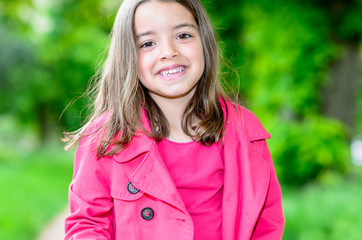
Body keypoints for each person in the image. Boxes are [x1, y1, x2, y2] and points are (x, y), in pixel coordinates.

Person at [63, 0, 285, 239]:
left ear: (205, 42)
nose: (169, 51)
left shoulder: (244, 131)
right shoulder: (106, 139)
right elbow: (87, 225)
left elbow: (266, 224)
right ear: (128, 57)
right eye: (148, 43)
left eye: (183, 35)